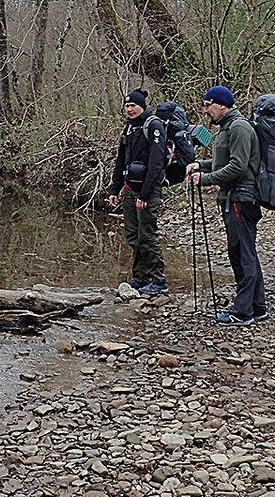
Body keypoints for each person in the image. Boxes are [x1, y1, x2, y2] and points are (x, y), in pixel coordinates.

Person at [185, 86, 266, 326]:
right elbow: (224, 161)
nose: (205, 109)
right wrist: (200, 165)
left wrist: (206, 179)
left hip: (241, 199)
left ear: (222, 104)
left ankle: (243, 312)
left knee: (243, 254)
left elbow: (238, 167)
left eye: (207, 104)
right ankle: (257, 306)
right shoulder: (226, 128)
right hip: (234, 198)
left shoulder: (239, 127)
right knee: (242, 251)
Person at [107, 89, 169, 296]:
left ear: (142, 105)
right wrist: (115, 190)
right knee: (133, 236)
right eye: (127, 106)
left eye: (133, 105)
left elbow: (156, 163)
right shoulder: (129, 128)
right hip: (130, 190)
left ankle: (159, 281)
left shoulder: (154, 126)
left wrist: (145, 194)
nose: (130, 109)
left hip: (147, 191)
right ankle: (140, 277)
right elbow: (120, 161)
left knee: (148, 235)